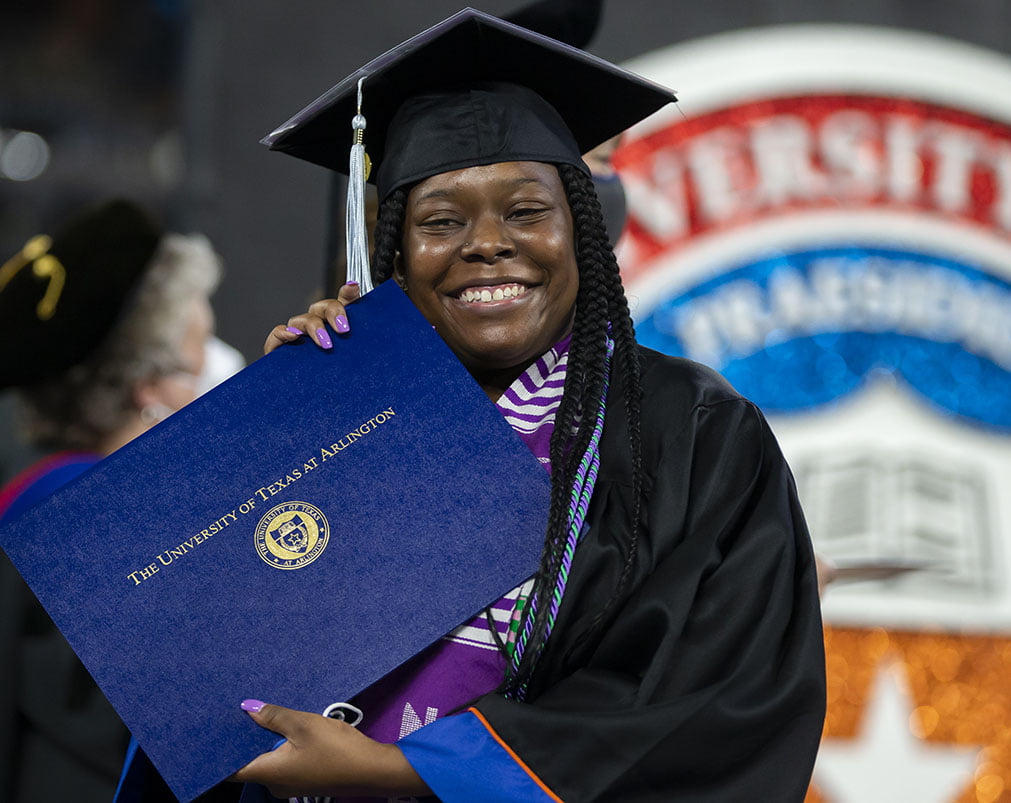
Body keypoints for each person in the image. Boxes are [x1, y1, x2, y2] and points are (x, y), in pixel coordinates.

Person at [144, 10, 821, 802]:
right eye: (441, 221)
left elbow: (715, 707)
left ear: (582, 230)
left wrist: (401, 772)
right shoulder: (352, 411)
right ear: (398, 250)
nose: (487, 242)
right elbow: (199, 670)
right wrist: (279, 431)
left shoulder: (696, 435)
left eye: (527, 210)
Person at [0, 199, 224, 802]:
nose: (210, 380)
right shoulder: (96, 523)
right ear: (147, 387)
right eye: (196, 361)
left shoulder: (42, 495)